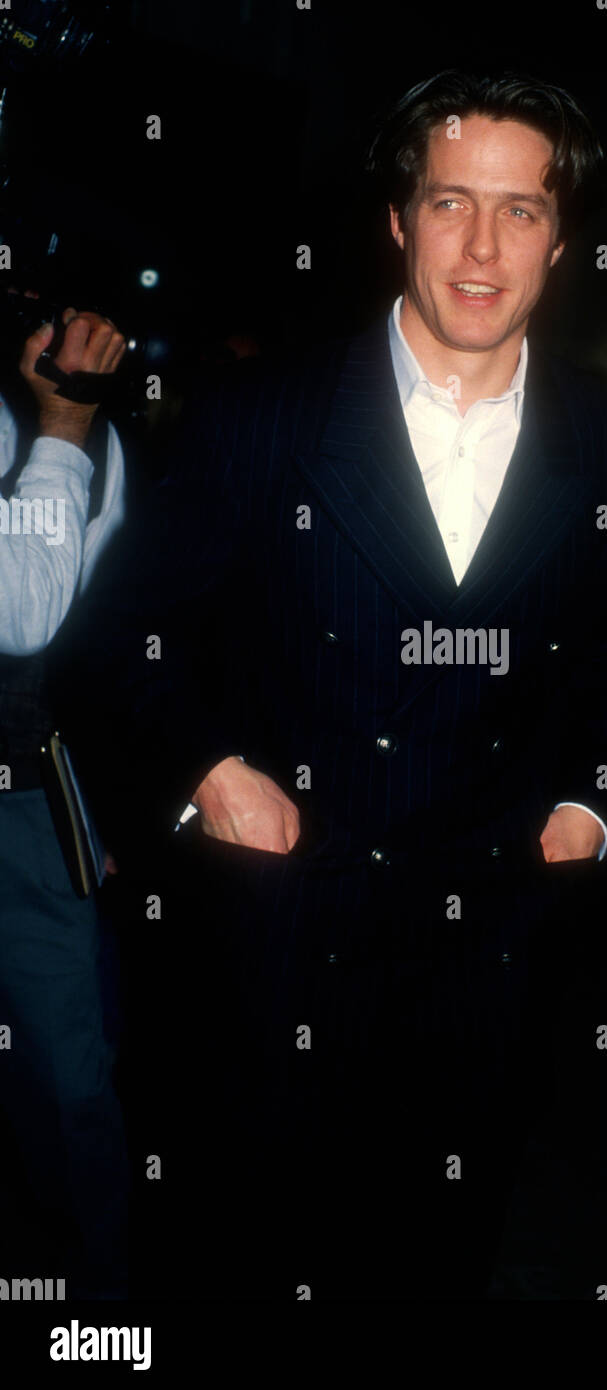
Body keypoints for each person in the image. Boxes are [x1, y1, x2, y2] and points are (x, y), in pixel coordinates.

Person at [60, 70, 607, 1300]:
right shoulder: (260, 419)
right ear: (398, 219)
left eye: (521, 210)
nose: (482, 248)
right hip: (277, 945)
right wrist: (210, 775)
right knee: (238, 1262)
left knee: (429, 1265)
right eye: (450, 203)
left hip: (480, 960)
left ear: (564, 235)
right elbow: (113, 643)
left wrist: (590, 804)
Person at [0, 304, 130, 1298]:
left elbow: (49, 625)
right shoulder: (67, 433)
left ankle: (91, 1311)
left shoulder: (87, 436)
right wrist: (62, 436)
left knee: (65, 1080)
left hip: (24, 810)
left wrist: (64, 434)